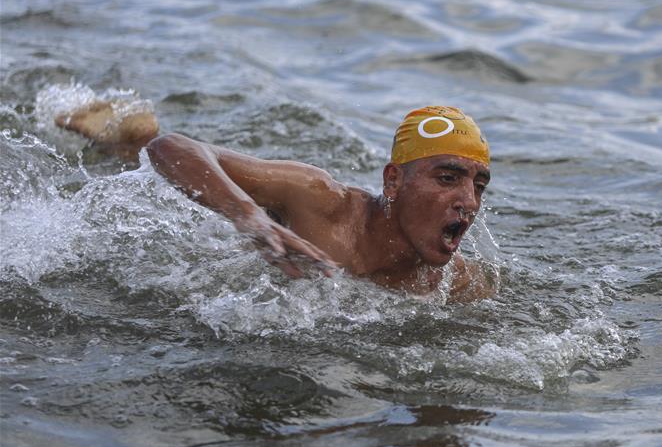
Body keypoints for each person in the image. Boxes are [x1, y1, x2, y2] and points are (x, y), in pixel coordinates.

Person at [56, 102, 496, 301]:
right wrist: (249, 217)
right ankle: (120, 135)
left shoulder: (459, 286)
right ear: (393, 181)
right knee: (138, 155)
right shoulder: (320, 202)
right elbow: (172, 149)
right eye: (447, 178)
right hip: (209, 235)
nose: (467, 202)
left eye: (478, 185)